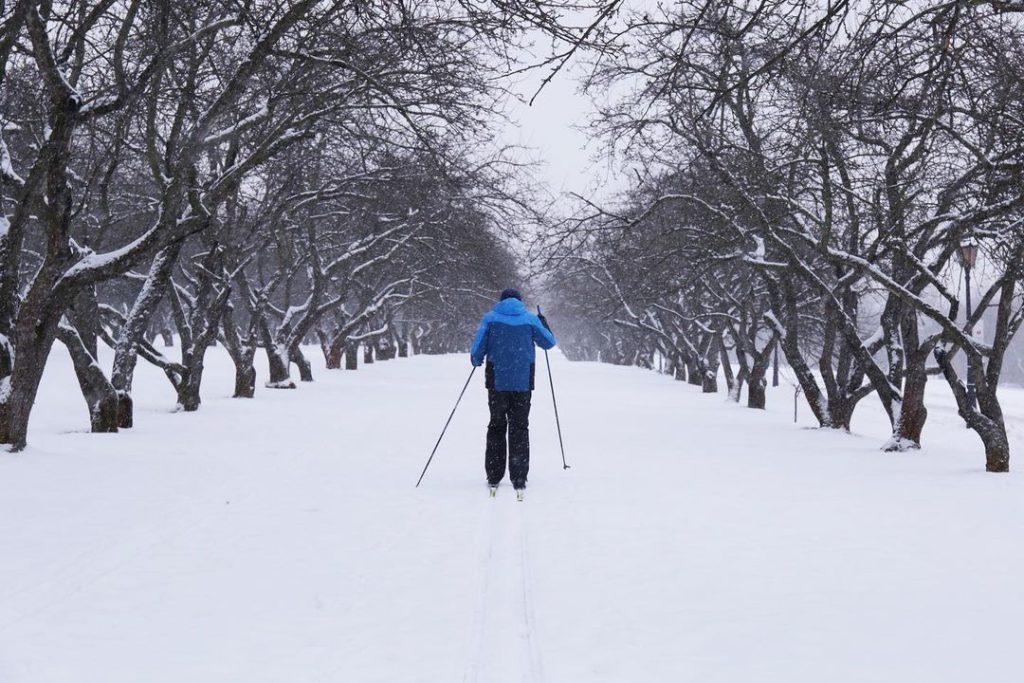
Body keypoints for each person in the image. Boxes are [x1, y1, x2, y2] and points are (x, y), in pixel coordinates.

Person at [470, 288, 556, 499]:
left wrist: (477, 359)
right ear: (519, 301)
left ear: (501, 301)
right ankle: (519, 476)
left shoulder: (490, 318)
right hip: (523, 382)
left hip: (497, 382)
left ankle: (494, 474)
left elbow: (477, 349)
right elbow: (549, 343)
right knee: (520, 427)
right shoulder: (529, 319)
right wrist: (543, 322)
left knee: (496, 425)